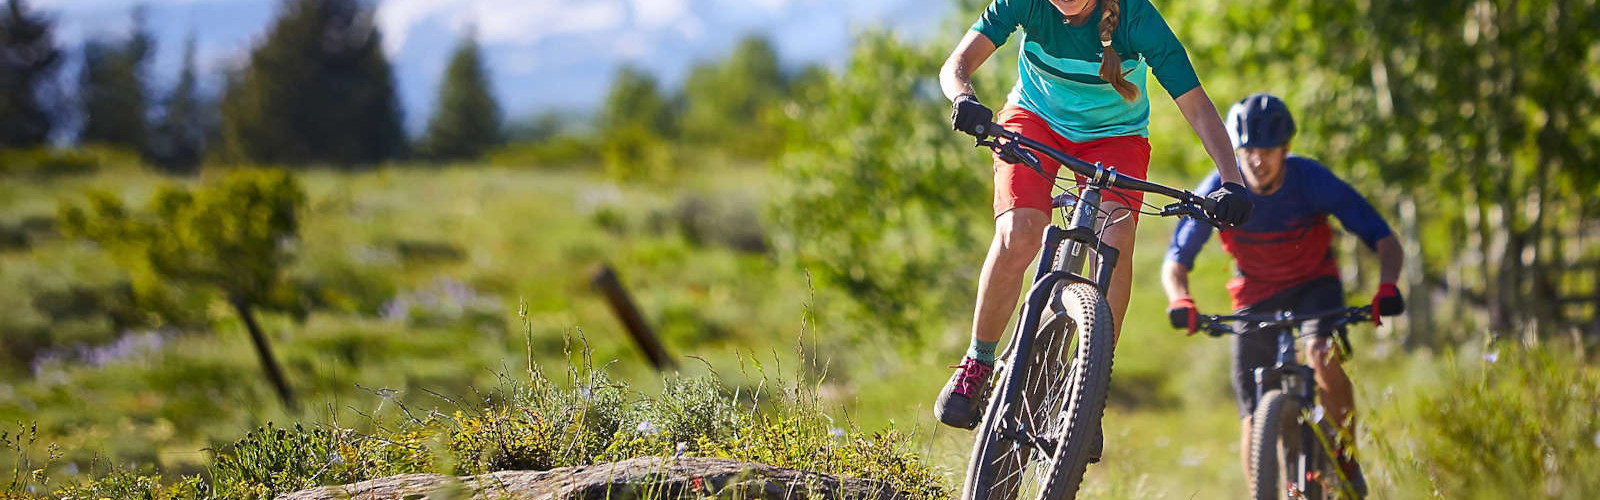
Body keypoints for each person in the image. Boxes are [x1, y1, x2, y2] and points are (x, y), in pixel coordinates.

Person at [934, 0, 1253, 433]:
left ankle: (1089, 390)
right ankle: (977, 364)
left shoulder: (1138, 18)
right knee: (1019, 233)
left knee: (1115, 240)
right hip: (1035, 119)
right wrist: (964, 97)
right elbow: (956, 64)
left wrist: (1231, 180)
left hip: (1115, 137)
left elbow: (1196, 104)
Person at [1161, 93, 1407, 495]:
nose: (1257, 160)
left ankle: (1344, 455)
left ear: (1286, 149)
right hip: (1255, 295)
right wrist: (1180, 299)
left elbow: (1383, 238)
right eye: (1249, 150)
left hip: (1314, 285)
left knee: (1319, 353)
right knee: (1253, 416)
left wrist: (1387, 287)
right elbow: (1177, 260)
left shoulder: (1310, 179)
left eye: (1268, 151)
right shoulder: (1222, 188)